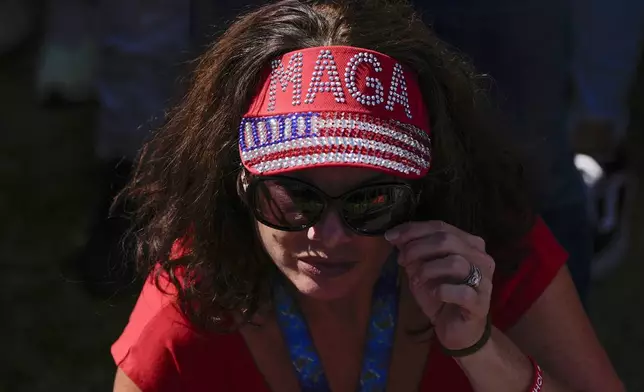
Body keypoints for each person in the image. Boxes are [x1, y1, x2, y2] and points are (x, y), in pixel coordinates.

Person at [111, 1, 623, 391]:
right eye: (294, 196)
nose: (327, 236)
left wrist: (481, 348)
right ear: (238, 182)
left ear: (425, 189)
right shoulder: (185, 314)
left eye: (371, 200)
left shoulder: (491, 248)